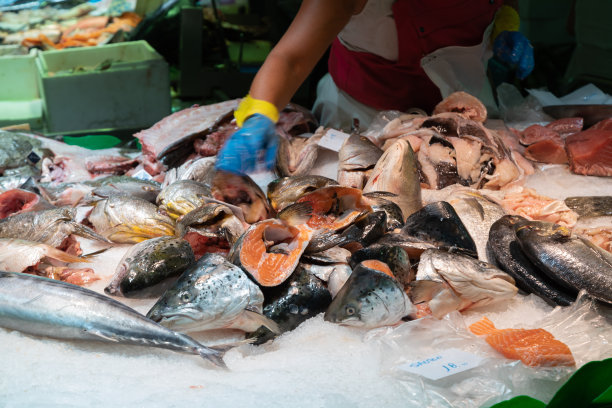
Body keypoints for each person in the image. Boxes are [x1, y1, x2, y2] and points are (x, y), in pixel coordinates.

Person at [215, 0, 534, 175]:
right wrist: (259, 114)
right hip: (362, 119)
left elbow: (505, 5)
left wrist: (506, 26)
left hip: (468, 117)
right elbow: (290, 58)